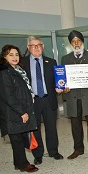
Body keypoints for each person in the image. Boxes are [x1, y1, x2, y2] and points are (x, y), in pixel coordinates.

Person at [0, 45, 38, 172]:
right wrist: (22, 112)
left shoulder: (17, 70)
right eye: (11, 54)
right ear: (4, 57)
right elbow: (8, 96)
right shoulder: (4, 73)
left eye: (16, 54)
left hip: (19, 109)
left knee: (20, 137)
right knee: (16, 139)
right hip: (13, 112)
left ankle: (18, 163)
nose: (14, 57)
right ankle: (23, 165)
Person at [58, 30, 88, 159]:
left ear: (82, 42)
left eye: (78, 40)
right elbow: (63, 78)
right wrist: (64, 88)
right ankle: (78, 149)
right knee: (75, 125)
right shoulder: (65, 59)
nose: (76, 43)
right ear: (71, 44)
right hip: (73, 96)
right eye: (73, 41)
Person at [22, 36, 64, 164]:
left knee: (51, 127)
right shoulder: (22, 63)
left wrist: (60, 87)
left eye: (38, 45)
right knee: (35, 129)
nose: (36, 48)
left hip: (48, 99)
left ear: (43, 46)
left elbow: (57, 80)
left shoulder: (51, 62)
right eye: (33, 46)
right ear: (28, 48)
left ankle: (53, 151)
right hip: (32, 101)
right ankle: (38, 154)